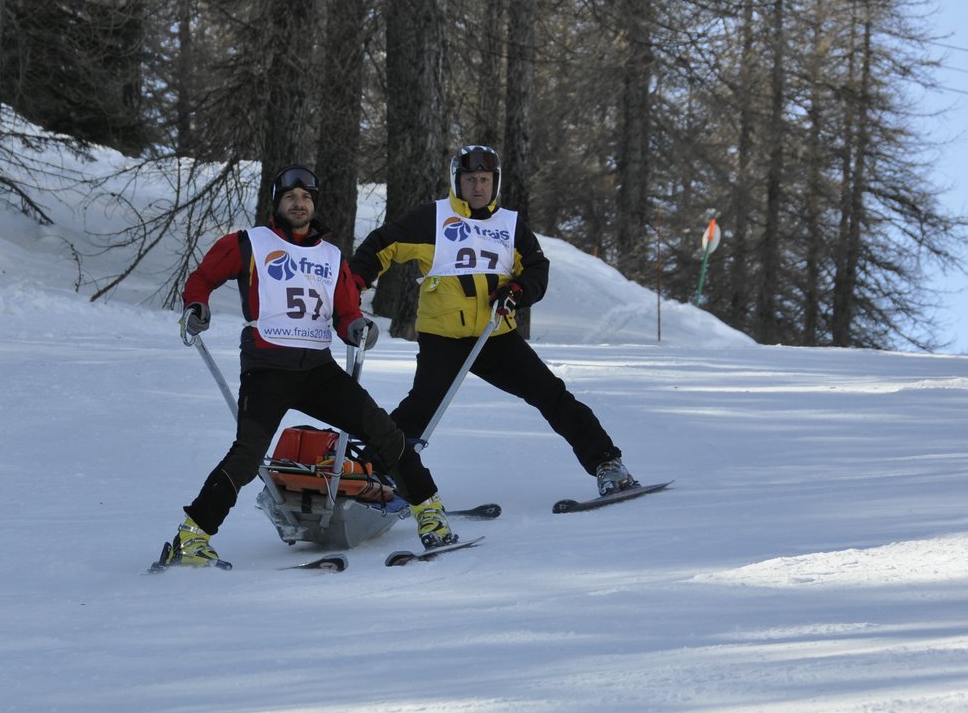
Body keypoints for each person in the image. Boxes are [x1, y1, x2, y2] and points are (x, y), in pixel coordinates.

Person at [154, 165, 457, 569]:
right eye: (291, 197)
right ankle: (191, 537)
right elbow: (202, 278)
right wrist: (196, 306)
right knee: (247, 455)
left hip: (318, 370)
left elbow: (346, 312)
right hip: (267, 367)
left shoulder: (331, 256)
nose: (300, 204)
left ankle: (428, 510)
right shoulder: (249, 244)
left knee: (384, 431)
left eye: (307, 198)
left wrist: (357, 328)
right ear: (277, 203)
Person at [348, 144, 640, 498]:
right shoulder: (433, 218)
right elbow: (383, 244)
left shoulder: (510, 224)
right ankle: (366, 474)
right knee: (421, 408)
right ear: (457, 181)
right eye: (470, 179)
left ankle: (608, 464)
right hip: (444, 337)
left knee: (551, 395)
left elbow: (536, 268)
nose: (478, 187)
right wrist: (354, 283)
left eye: (485, 179)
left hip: (495, 335)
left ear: (494, 183)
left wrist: (517, 290)